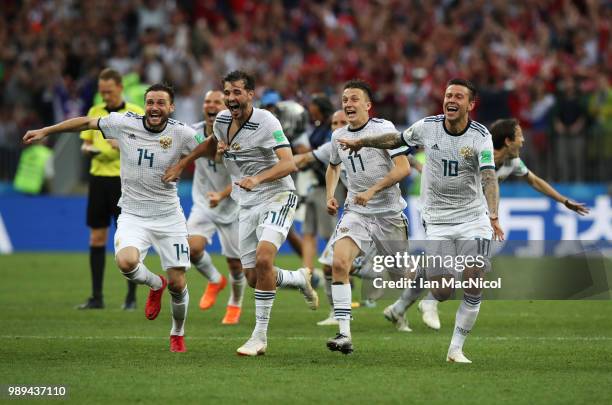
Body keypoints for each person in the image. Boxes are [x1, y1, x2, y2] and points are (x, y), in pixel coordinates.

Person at [24, 83, 199, 353]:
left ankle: (177, 332)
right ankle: (155, 284)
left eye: (161, 103)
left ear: (171, 107)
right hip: (133, 213)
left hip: (168, 217)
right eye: (150, 102)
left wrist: (183, 164)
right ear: (144, 104)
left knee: (178, 283)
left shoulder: (182, 133)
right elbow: (85, 123)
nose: (154, 107)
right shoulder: (124, 123)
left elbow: (208, 149)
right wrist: (46, 130)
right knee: (126, 262)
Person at [338, 78, 504, 363]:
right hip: (437, 219)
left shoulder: (480, 136)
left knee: (474, 278)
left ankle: (455, 349)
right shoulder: (428, 126)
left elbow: (489, 176)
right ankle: (414, 294)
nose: (451, 100)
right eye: (448, 95)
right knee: (441, 291)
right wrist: (362, 141)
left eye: (459, 97)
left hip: (473, 217)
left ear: (470, 104)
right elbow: (397, 139)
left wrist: (493, 216)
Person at [385, 117, 591, 334]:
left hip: (473, 218)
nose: (523, 140)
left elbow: (534, 180)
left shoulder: (511, 162)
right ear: (508, 140)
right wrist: (417, 164)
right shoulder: (474, 152)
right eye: (520, 135)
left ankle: (400, 308)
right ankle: (430, 301)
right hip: (441, 212)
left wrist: (564, 201)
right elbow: (435, 164)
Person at [163, 71, 318, 357]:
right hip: (245, 203)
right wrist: (184, 162)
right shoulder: (222, 121)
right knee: (251, 277)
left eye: (237, 92)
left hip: (277, 196)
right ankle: (298, 279)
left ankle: (259, 338)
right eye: (228, 93)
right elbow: (211, 144)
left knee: (263, 259)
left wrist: (258, 179)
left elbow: (289, 164)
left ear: (250, 95)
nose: (231, 98)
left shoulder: (267, 121)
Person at [325, 79, 411, 355]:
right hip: (356, 211)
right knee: (339, 263)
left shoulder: (384, 130)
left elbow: (403, 168)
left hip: (388, 213)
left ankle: (402, 308)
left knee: (402, 277)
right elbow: (333, 167)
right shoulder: (338, 137)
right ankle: (344, 334)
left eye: (354, 99)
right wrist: (330, 194)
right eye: (345, 99)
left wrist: (373, 190)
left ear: (368, 105)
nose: (348, 104)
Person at [78, 68, 143, 310]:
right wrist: (88, 149)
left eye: (108, 91)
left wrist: (123, 146)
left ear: (120, 87)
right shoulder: (94, 112)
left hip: (125, 181)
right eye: (101, 91)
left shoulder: (135, 113)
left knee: (126, 240)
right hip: (98, 180)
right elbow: (86, 143)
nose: (105, 96)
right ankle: (97, 297)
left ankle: (131, 298)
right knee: (97, 236)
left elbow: (146, 144)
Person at [188, 89, 245, 324]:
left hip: (232, 206)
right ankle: (214, 279)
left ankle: (235, 303)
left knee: (235, 263)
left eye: (217, 102)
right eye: (207, 101)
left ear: (226, 108)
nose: (211, 105)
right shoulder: (191, 132)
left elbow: (244, 177)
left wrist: (222, 195)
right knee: (191, 249)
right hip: (203, 202)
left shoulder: (238, 136)